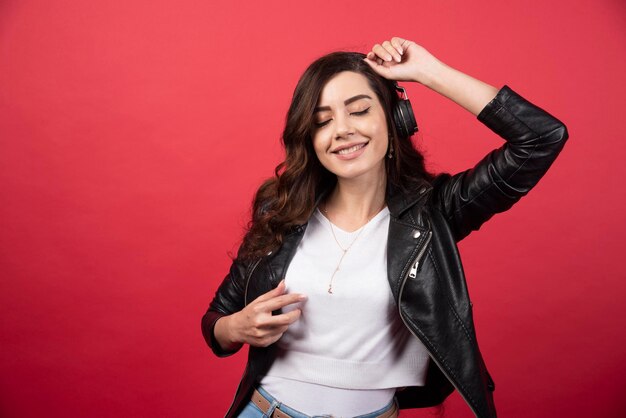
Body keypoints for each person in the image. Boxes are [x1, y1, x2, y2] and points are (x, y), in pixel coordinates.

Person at [201, 37, 568, 418]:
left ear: (396, 121)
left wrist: (428, 72)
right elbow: (216, 323)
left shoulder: (434, 213)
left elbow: (541, 138)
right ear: (310, 140)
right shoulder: (282, 211)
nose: (341, 130)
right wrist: (236, 328)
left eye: (358, 111)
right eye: (323, 121)